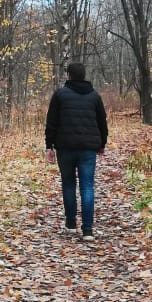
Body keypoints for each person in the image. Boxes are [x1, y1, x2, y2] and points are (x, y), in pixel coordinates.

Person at [44, 62, 108, 242]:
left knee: (69, 184)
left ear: (69, 76)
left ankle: (71, 223)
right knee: (87, 186)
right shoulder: (94, 96)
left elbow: (51, 122)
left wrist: (49, 146)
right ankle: (87, 230)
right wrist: (102, 143)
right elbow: (102, 122)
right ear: (83, 75)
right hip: (88, 148)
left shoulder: (60, 95)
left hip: (65, 147)